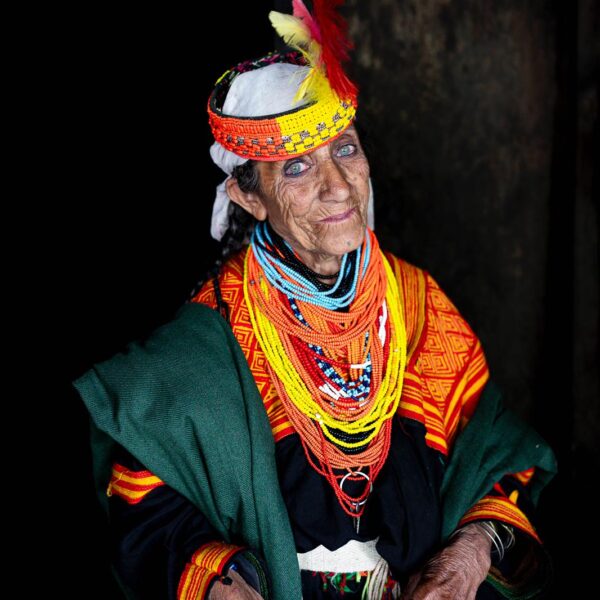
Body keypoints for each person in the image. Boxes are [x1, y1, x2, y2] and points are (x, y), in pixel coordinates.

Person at [72, 2, 557, 599]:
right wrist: (218, 581)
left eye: (345, 150)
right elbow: (141, 501)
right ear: (248, 198)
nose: (337, 185)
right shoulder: (209, 340)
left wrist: (470, 551)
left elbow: (501, 459)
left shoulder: (417, 305)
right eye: (297, 167)